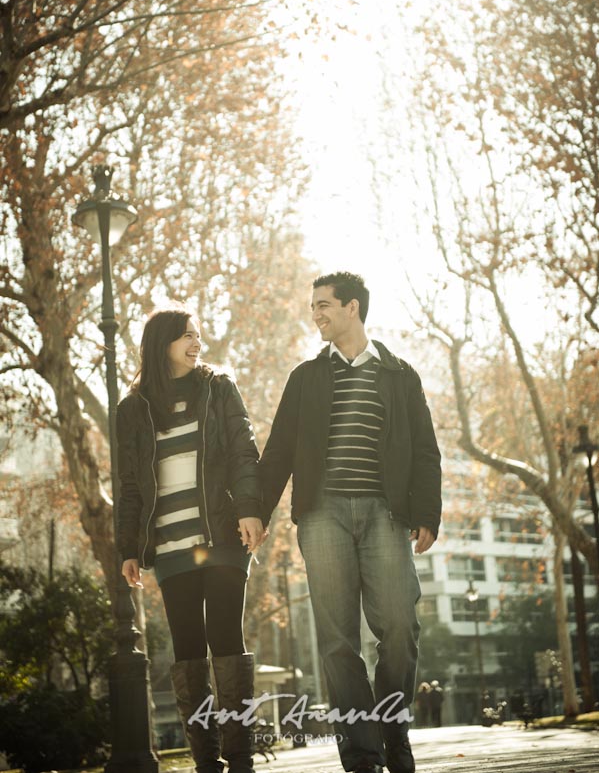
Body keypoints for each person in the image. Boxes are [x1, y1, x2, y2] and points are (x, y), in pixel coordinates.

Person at [258, 272, 442, 773]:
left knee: (401, 627)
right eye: (312, 305)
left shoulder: (400, 375)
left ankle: (392, 732)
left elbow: (426, 451)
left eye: (323, 305)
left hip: (386, 514)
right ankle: (361, 755)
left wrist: (427, 512)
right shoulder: (306, 377)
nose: (315, 314)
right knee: (338, 641)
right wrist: (256, 510)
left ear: (352, 308)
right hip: (322, 517)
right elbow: (277, 453)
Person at [116, 306, 266, 773]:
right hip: (170, 545)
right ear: (161, 344)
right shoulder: (132, 408)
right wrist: (128, 549)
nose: (196, 343)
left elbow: (244, 450)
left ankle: (239, 757)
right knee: (187, 647)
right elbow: (130, 485)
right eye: (186, 336)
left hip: (222, 534)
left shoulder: (218, 387)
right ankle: (207, 760)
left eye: (197, 335)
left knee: (225, 635)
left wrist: (249, 509)